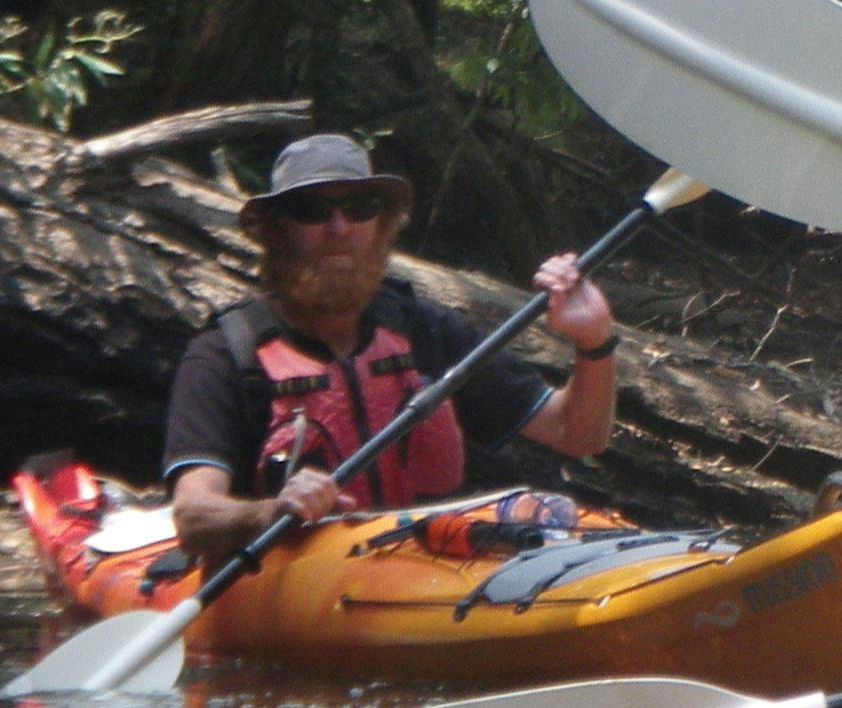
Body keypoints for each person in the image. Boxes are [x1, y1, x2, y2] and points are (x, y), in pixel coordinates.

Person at [162, 133, 618, 559]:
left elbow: (576, 434)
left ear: (382, 226)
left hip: (420, 567)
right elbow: (193, 515)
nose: (339, 227)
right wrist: (271, 511)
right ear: (275, 231)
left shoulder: (425, 330)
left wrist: (594, 343)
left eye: (360, 207)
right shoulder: (227, 355)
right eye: (310, 210)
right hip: (297, 576)